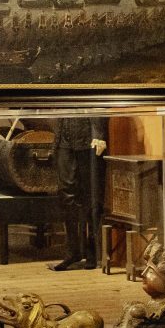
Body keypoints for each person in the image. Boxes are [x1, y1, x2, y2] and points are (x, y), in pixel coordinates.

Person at [50, 114, 106, 271]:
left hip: (87, 137)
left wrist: (99, 135)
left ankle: (92, 252)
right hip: (64, 135)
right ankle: (72, 251)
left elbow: (97, 104)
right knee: (65, 194)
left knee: (90, 194)